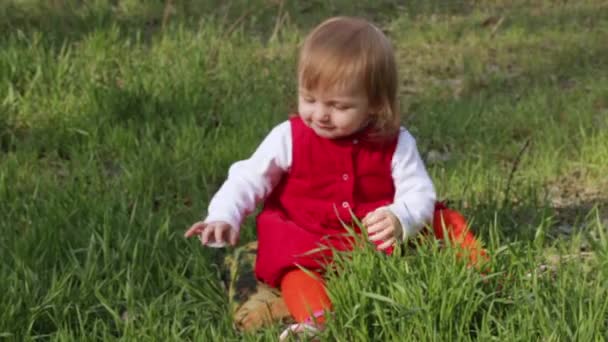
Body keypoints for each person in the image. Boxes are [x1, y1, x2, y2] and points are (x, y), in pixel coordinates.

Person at [185, 16, 485, 339]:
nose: (320, 114)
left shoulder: (396, 143)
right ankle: (316, 322)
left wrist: (401, 217)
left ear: (375, 105)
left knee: (447, 220)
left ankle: (482, 275)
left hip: (376, 236)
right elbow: (247, 178)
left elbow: (419, 193)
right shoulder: (289, 137)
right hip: (308, 238)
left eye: (338, 105)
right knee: (295, 275)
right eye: (309, 99)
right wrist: (224, 214)